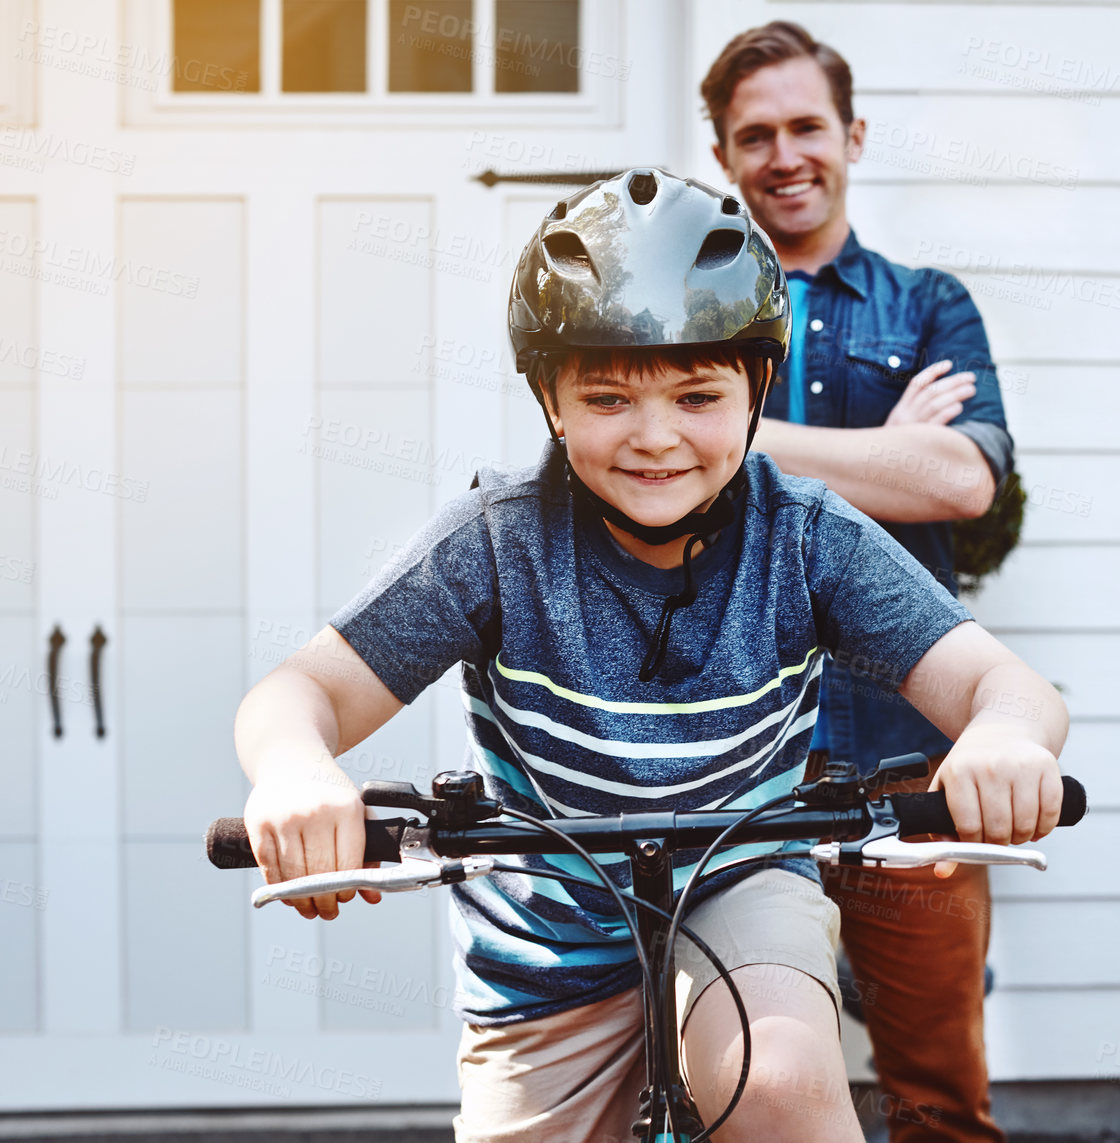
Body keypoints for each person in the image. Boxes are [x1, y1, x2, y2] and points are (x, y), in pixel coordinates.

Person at [232, 168, 1066, 1143]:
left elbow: (1003, 685)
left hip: (738, 884)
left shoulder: (802, 533)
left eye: (698, 394)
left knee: (784, 1081)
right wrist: (295, 771)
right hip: (545, 942)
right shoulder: (498, 538)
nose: (656, 436)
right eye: (608, 397)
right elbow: (301, 693)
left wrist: (1004, 734)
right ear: (550, 398)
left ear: (759, 390)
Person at [702, 21, 1016, 1142]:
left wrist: (742, 440)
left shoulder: (928, 304)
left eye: (804, 126)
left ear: (852, 135)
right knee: (735, 1083)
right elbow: (656, 478)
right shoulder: (690, 316)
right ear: (723, 158)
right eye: (754, 136)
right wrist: (883, 451)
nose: (783, 155)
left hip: (904, 752)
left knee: (938, 1094)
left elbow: (963, 482)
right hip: (729, 762)